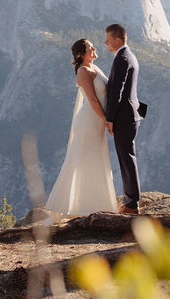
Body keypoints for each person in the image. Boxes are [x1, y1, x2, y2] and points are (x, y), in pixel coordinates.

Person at [45, 39, 117, 220]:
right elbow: (92, 100)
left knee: (95, 160)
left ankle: (96, 203)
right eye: (89, 47)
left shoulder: (95, 67)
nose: (94, 48)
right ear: (80, 54)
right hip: (89, 121)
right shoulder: (83, 71)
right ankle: (71, 205)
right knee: (81, 160)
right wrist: (107, 120)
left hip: (97, 121)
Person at [104, 23, 143, 215]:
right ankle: (130, 200)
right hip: (130, 114)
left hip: (124, 117)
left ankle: (131, 204)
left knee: (126, 158)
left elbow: (116, 93)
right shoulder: (128, 56)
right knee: (127, 157)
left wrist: (109, 118)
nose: (106, 43)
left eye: (108, 39)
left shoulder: (122, 58)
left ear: (117, 40)